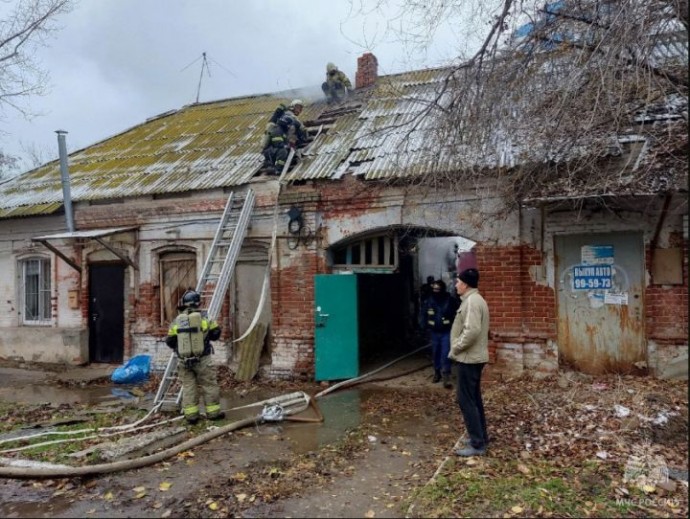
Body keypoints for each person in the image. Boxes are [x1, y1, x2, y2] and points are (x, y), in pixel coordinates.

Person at [165, 289, 225, 424]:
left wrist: (181, 348)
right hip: (202, 359)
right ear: (198, 303)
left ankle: (191, 416)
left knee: (188, 386)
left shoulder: (177, 321)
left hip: (184, 360)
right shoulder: (205, 318)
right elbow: (216, 334)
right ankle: (213, 413)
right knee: (209, 385)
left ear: (184, 303)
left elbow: (170, 341)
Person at [449, 268, 490, 457]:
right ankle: (481, 437)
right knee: (474, 398)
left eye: (458, 281)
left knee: (466, 400)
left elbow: (472, 331)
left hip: (469, 358)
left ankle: (477, 444)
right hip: (473, 357)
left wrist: (456, 347)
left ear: (465, 284)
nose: (456, 284)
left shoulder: (472, 301)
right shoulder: (474, 299)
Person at [421, 280, 459, 388]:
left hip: (446, 331)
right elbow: (423, 314)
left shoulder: (450, 300)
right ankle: (437, 372)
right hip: (434, 332)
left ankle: (446, 375)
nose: (436, 291)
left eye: (438, 289)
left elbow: (457, 314)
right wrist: (423, 326)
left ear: (442, 289)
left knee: (445, 353)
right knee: (436, 352)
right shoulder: (429, 301)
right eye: (434, 289)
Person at [261, 99, 308, 174]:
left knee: (285, 150)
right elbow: (279, 144)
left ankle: (276, 164)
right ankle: (278, 169)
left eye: (301, 109)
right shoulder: (282, 124)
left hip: (273, 150)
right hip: (272, 151)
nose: (299, 110)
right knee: (283, 151)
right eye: (298, 107)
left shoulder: (285, 125)